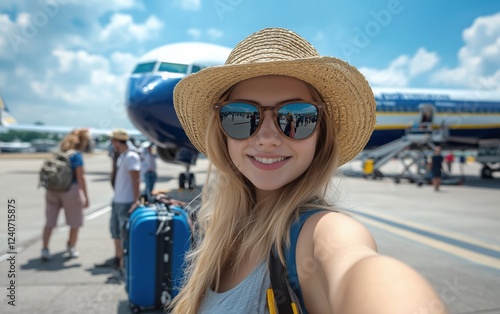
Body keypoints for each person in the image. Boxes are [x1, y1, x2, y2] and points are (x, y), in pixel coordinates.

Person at [170, 28, 446, 313]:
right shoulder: (216, 231)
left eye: (296, 117)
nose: (267, 137)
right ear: (222, 132)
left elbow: (358, 268)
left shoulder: (319, 233)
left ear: (320, 133)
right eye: (241, 116)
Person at [42, 128, 90, 260]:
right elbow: (80, 177)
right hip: (70, 190)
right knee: (75, 222)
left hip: (52, 190)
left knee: (50, 221)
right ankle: (71, 246)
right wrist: (85, 196)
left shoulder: (59, 153)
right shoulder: (76, 156)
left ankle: (45, 248)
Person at [108, 128, 141, 276]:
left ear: (116, 141)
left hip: (126, 201)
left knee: (123, 235)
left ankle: (124, 266)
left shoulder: (131, 157)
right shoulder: (121, 156)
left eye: (112, 141)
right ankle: (118, 260)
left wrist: (135, 200)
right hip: (117, 200)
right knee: (115, 232)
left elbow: (136, 179)